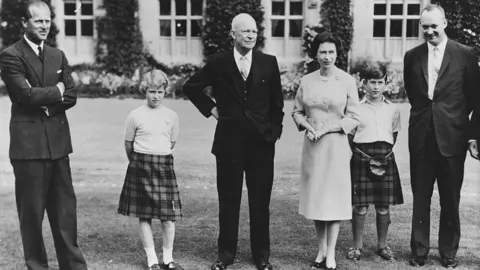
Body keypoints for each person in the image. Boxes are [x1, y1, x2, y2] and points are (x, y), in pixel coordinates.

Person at [183, 13, 284, 270]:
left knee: (260, 203)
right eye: (245, 32)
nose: (251, 36)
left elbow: (277, 104)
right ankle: (225, 254)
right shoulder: (218, 63)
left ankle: (261, 256)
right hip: (229, 144)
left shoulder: (268, 62)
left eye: (254, 32)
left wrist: (273, 133)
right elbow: (191, 87)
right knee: (228, 201)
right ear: (233, 35)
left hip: (261, 144)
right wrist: (213, 110)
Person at [0, 1, 87, 269]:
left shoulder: (57, 55)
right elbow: (24, 95)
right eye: (38, 21)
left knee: (65, 215)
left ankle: (73, 266)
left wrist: (48, 99)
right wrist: (57, 91)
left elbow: (71, 95)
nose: (44, 26)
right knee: (32, 217)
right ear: (24, 22)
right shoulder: (11, 55)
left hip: (59, 148)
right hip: (29, 150)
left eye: (48, 20)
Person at [403, 4, 480, 268]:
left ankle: (448, 253)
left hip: (453, 138)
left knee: (450, 199)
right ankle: (419, 252)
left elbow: (475, 99)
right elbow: (415, 96)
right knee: (420, 197)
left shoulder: (465, 54)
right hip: (421, 138)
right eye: (425, 26)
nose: (430, 31)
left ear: (445, 23)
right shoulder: (411, 56)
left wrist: (472, 136)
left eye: (434, 25)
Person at [292, 32, 359, 270]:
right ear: (316, 54)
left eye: (331, 52)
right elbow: (297, 111)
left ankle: (331, 254)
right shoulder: (307, 80)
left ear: (337, 54)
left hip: (336, 147)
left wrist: (327, 130)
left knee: (334, 200)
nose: (327, 57)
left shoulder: (347, 80)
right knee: (317, 199)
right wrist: (309, 126)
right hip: (313, 146)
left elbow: (354, 117)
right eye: (323, 52)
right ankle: (321, 250)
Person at [117, 69, 184, 270]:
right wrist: (137, 162)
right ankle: (152, 260)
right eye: (151, 91)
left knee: (168, 218)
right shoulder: (135, 115)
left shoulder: (171, 116)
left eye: (160, 92)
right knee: (144, 216)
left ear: (166, 92)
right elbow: (128, 144)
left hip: (163, 167)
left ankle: (168, 259)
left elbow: (171, 142)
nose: (156, 96)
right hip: (140, 167)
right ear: (144, 90)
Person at [346, 63, 404, 262]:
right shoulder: (355, 108)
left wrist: (382, 154)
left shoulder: (393, 109)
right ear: (363, 83)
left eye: (380, 82)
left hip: (385, 157)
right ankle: (357, 246)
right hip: (362, 156)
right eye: (372, 82)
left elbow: (394, 135)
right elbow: (351, 137)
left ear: (385, 83)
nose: (376, 87)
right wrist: (364, 155)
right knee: (360, 206)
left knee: (383, 205)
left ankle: (382, 245)